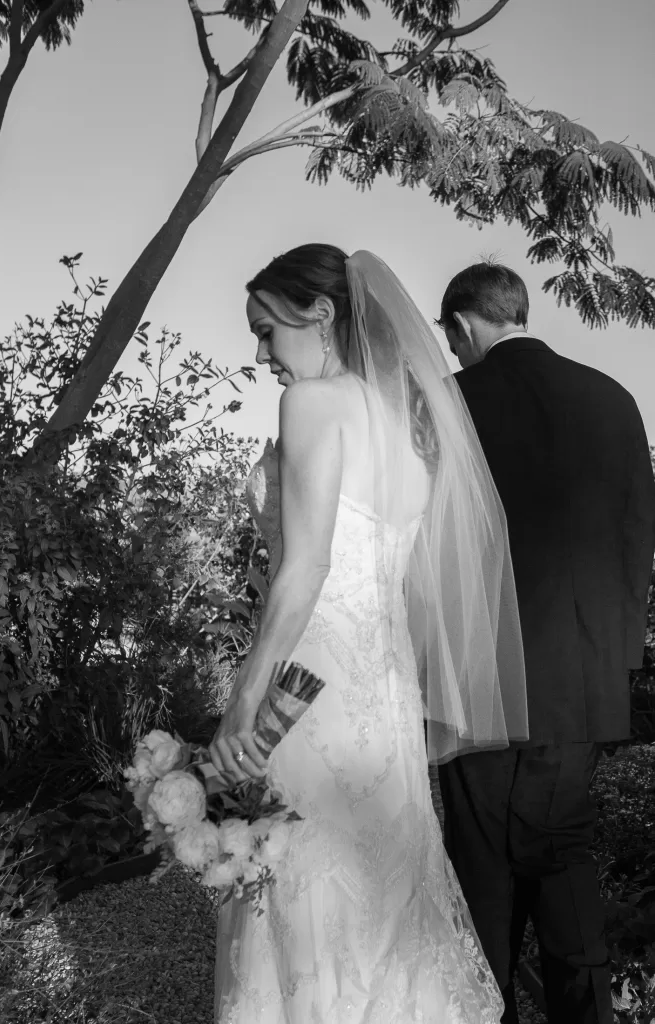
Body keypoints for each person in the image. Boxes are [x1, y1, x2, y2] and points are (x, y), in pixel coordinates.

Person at [208, 244, 529, 1023]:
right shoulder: (412, 429)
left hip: (307, 684)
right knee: (383, 895)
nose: (259, 355)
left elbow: (306, 567)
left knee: (298, 885)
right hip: (383, 694)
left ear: (318, 314)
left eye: (266, 330)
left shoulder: (314, 405)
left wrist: (241, 704)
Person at [435, 261, 655, 1024]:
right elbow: (637, 543)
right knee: (562, 860)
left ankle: (478, 1010)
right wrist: (617, 662)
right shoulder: (614, 400)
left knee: (484, 879)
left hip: (480, 681)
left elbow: (430, 547)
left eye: (451, 339)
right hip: (585, 680)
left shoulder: (451, 403)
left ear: (462, 326)